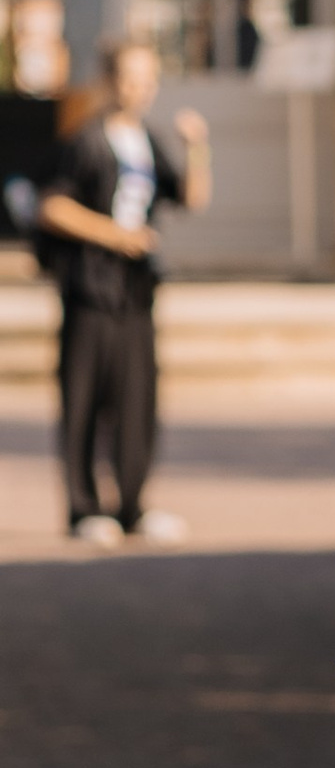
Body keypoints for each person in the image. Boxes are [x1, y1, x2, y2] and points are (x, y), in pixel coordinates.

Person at [37, 37, 210, 546]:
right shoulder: (85, 140)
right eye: (130, 79)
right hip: (89, 289)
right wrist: (116, 235)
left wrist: (197, 145)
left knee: (138, 400)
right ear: (108, 81)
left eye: (148, 80)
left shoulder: (149, 140)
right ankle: (84, 509)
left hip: (134, 291)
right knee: (85, 397)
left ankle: (132, 506)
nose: (140, 90)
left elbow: (190, 197)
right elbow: (51, 207)